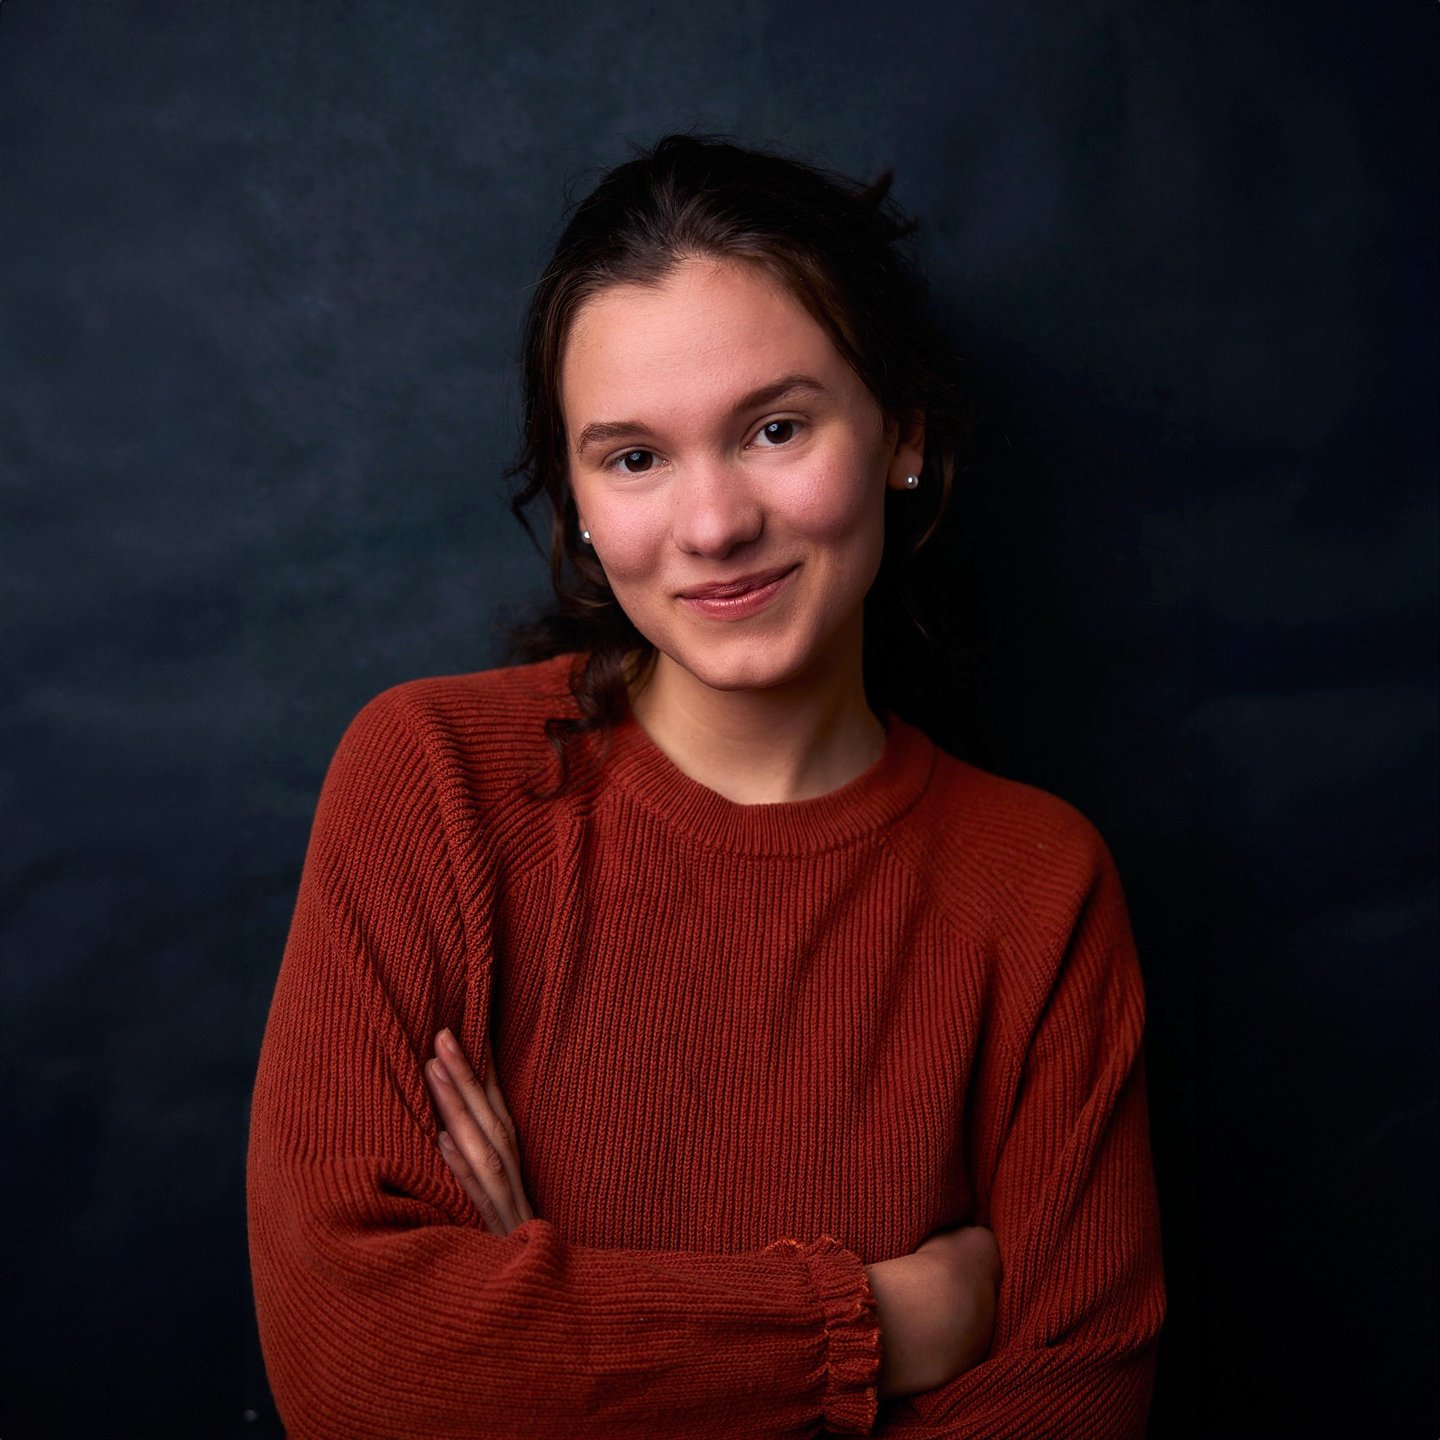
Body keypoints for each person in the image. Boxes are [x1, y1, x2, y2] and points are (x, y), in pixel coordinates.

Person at [247, 134, 1165, 1439]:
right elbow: (358, 1373)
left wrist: (552, 1326)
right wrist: (877, 1326)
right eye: (634, 458)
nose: (714, 522)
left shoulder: (1035, 888)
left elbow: (1076, 1408)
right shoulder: (433, 786)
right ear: (572, 501)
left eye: (775, 427)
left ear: (900, 432)